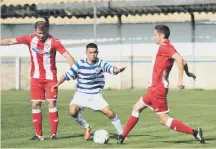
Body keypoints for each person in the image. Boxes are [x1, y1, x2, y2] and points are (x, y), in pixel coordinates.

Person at [116, 25, 205, 144]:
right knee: (136, 108)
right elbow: (182, 61)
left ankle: (195, 132)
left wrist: (180, 80)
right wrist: (188, 73)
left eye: (155, 35)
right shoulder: (168, 46)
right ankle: (122, 136)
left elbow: (179, 59)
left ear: (161, 36)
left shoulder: (165, 47)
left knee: (164, 120)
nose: (154, 37)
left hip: (157, 89)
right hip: (152, 89)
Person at [0, 20, 75, 140]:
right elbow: (10, 41)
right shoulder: (29, 39)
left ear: (47, 31)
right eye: (39, 33)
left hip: (50, 78)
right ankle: (38, 135)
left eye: (43, 33)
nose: (41, 36)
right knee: (35, 104)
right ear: (35, 31)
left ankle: (54, 134)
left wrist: (75, 70)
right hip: (36, 78)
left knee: (51, 103)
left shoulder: (54, 42)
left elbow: (67, 55)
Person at [51, 43, 126, 140]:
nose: (93, 54)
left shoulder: (100, 63)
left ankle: (123, 134)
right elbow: (66, 75)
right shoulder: (79, 64)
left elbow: (111, 68)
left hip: (95, 95)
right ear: (86, 53)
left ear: (97, 53)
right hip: (81, 94)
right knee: (72, 112)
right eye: (90, 52)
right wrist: (58, 84)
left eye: (95, 52)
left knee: (109, 113)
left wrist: (118, 70)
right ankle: (87, 127)